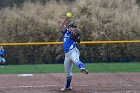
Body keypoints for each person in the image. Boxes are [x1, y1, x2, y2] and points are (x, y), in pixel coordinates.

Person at [60, 13, 88, 92]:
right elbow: (61, 26)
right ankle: (68, 87)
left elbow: (78, 41)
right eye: (71, 27)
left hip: (73, 51)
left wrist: (77, 35)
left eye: (74, 27)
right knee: (68, 72)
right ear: (68, 27)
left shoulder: (75, 34)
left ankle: (82, 67)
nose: (72, 28)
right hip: (67, 55)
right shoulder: (65, 32)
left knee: (76, 60)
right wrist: (66, 18)